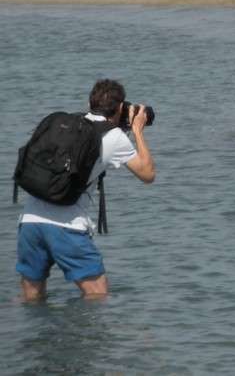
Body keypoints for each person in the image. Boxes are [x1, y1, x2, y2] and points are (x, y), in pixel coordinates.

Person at [16, 79, 156, 301]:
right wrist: (137, 130)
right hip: (66, 227)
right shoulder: (114, 137)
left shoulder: (68, 124)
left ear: (91, 102)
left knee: (31, 300)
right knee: (98, 296)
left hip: (29, 223)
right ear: (120, 108)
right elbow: (148, 174)